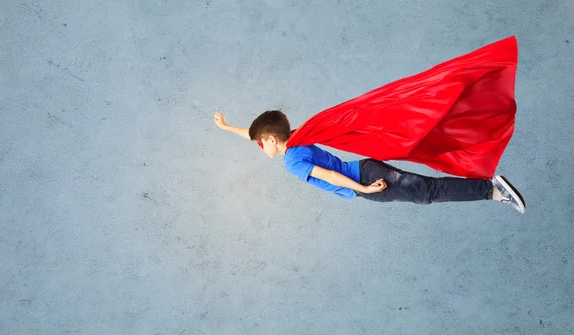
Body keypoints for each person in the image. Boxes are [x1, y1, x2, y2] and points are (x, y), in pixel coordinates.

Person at [213, 110, 526, 213]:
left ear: (271, 140)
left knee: (428, 192)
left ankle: (491, 190)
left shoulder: (292, 162)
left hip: (366, 178)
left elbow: (331, 177)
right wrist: (228, 128)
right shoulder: (296, 138)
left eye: (259, 143)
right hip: (366, 169)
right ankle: (489, 189)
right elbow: (259, 132)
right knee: (426, 192)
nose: (258, 146)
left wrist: (363, 188)